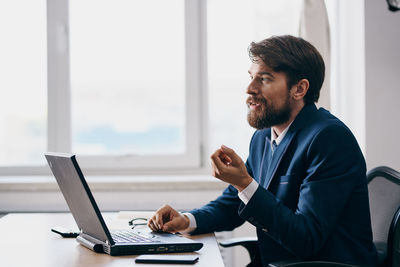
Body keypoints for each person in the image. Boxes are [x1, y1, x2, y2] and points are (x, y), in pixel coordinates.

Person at [147, 35, 377, 266]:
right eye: (251, 77)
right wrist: (186, 220)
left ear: (299, 89)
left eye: (264, 79)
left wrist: (245, 184)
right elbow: (232, 204)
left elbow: (306, 238)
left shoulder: (329, 139)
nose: (250, 88)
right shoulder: (263, 137)